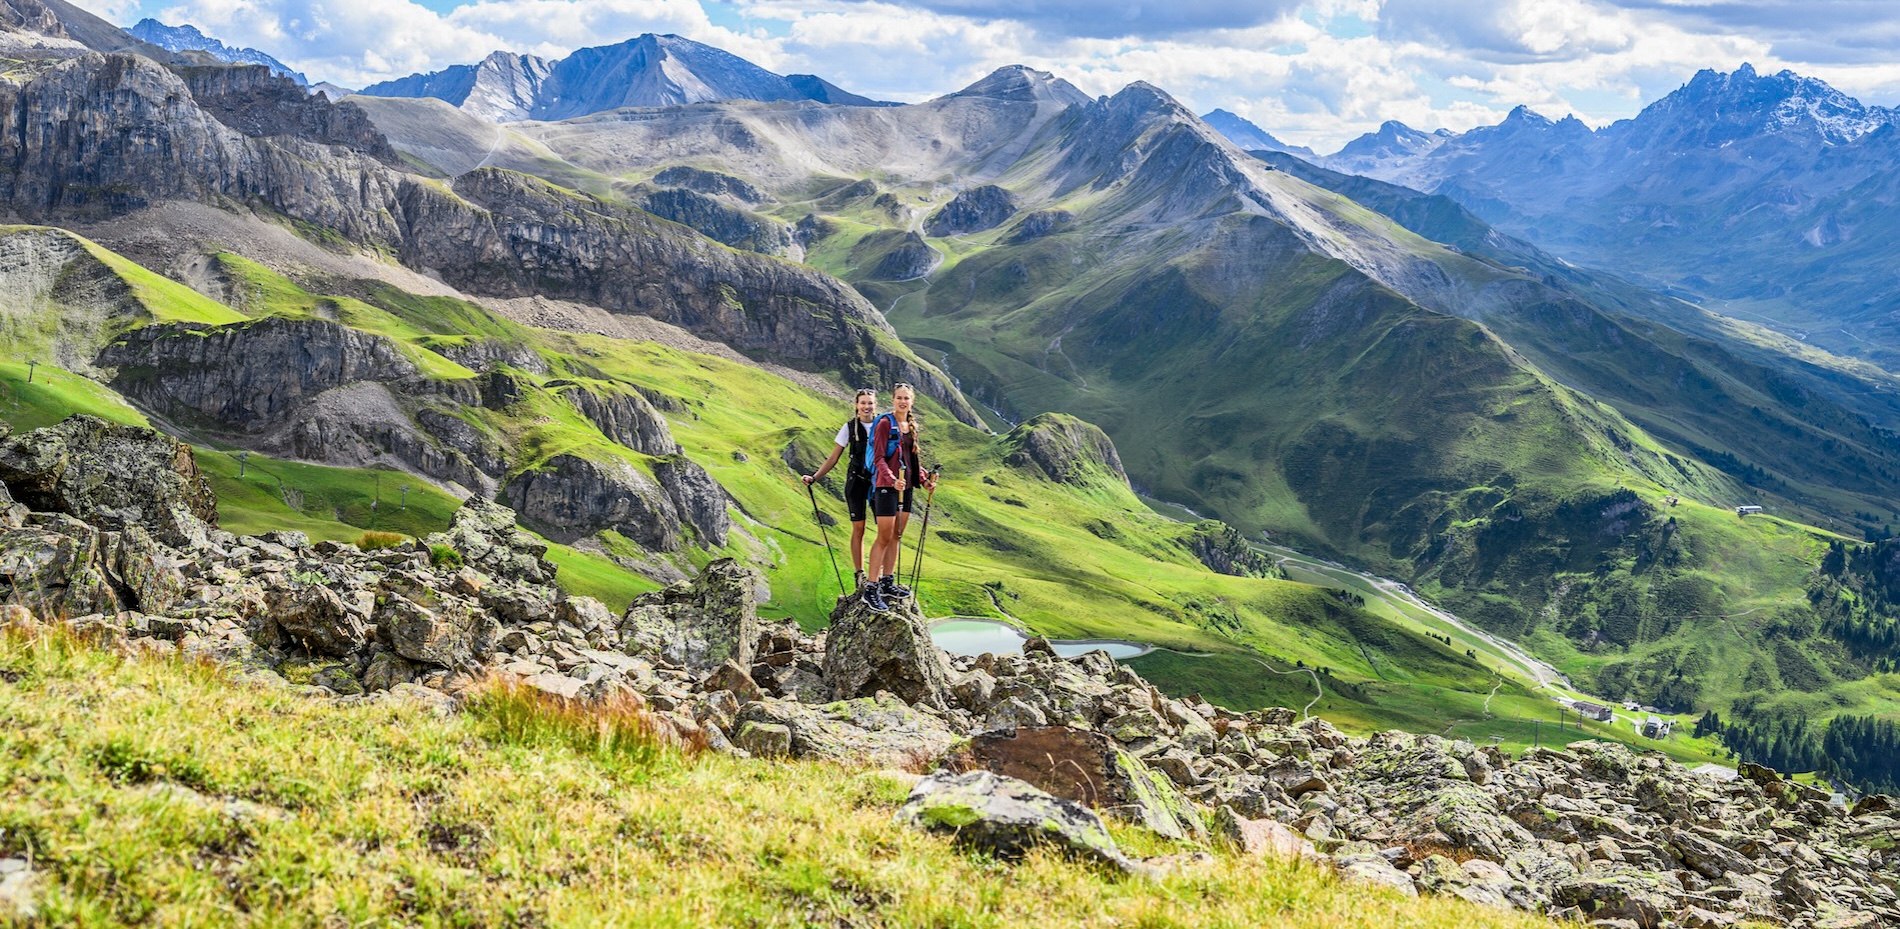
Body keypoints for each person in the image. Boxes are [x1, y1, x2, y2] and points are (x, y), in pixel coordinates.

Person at [865, 383, 934, 611]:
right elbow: (878, 458)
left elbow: (913, 459)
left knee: (897, 535)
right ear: (893, 400)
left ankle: (887, 581)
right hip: (886, 486)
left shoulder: (911, 426)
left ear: (912, 401)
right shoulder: (885, 424)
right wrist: (892, 478)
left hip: (907, 487)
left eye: (906, 398)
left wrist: (924, 480)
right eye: (899, 398)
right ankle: (871, 588)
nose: (903, 401)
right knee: (884, 537)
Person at [803, 388, 877, 591]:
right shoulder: (849, 428)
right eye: (863, 402)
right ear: (856, 405)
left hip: (879, 482)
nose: (866, 406)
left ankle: (880, 575)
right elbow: (834, 458)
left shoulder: (883, 425)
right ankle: (860, 574)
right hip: (856, 482)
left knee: (885, 529)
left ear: (875, 404)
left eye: (870, 403)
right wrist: (815, 477)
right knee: (858, 528)